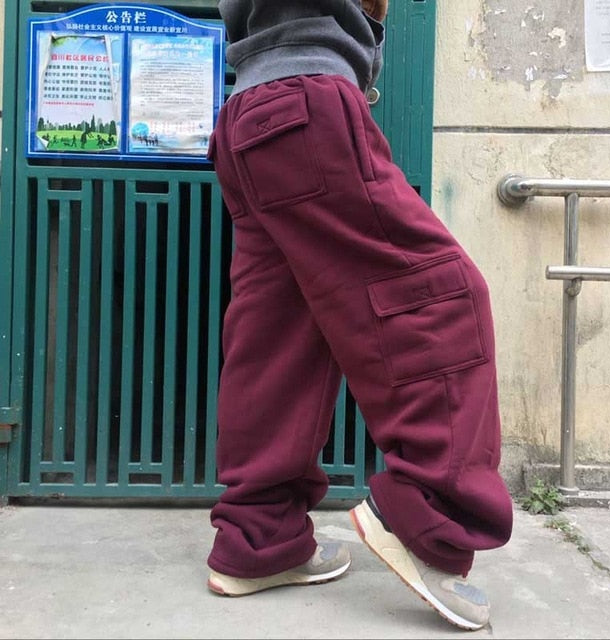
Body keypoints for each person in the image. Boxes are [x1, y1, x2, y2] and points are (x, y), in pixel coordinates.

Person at [205, 0, 514, 631]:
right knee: (444, 299)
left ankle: (257, 537)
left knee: (278, 330)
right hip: (307, 101)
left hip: (249, 110)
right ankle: (430, 516)